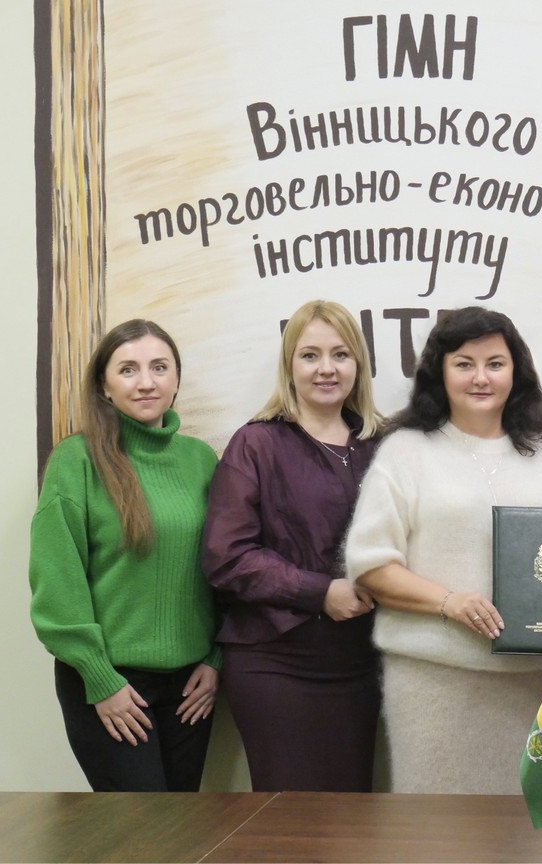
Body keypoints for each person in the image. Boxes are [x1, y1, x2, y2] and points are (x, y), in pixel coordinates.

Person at [344, 306, 542, 795]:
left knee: (529, 827)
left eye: (495, 363)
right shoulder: (405, 452)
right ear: (439, 372)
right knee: (439, 829)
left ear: (516, 371)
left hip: (531, 687)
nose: (481, 378)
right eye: (464, 364)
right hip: (433, 685)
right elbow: (371, 563)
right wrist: (450, 602)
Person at [29, 319, 220, 792]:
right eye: (128, 369)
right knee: (138, 830)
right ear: (104, 386)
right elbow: (58, 583)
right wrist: (100, 679)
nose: (146, 382)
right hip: (110, 684)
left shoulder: (201, 460)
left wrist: (217, 659)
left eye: (160, 367)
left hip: (190, 687)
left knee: (183, 826)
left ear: (176, 379)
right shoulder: (76, 461)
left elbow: (224, 568)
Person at [203, 300, 383, 792]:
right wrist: (320, 592)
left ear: (358, 364)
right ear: (289, 366)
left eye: (340, 354)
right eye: (310, 355)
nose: (326, 368)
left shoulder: (382, 445)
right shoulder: (256, 443)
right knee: (288, 817)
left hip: (360, 663)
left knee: (350, 813)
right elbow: (226, 557)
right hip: (276, 662)